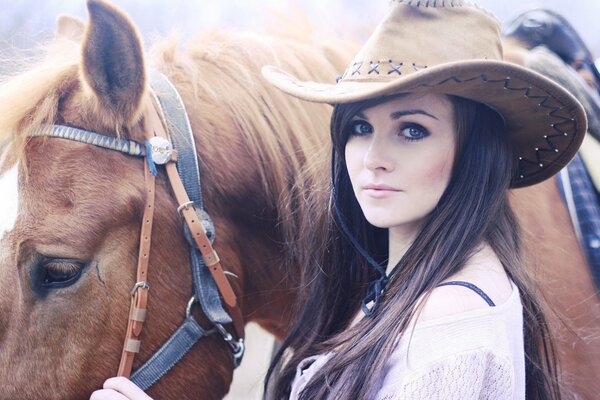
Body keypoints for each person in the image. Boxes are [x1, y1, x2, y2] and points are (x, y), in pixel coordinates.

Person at [92, 1, 586, 399]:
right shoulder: (406, 285)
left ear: (475, 151)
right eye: (359, 127)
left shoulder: (445, 337)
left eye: (412, 130)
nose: (372, 157)